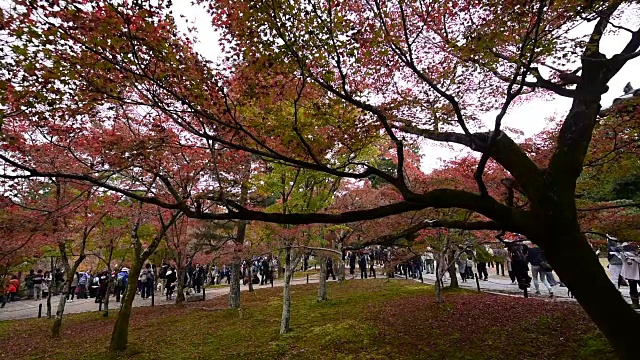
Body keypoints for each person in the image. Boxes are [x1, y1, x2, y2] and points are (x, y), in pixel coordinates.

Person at [620, 244, 640, 309]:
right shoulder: (625, 256)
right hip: (632, 275)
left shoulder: (625, 256)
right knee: (633, 289)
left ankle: (635, 304)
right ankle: (635, 304)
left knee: (633, 289)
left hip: (633, 275)